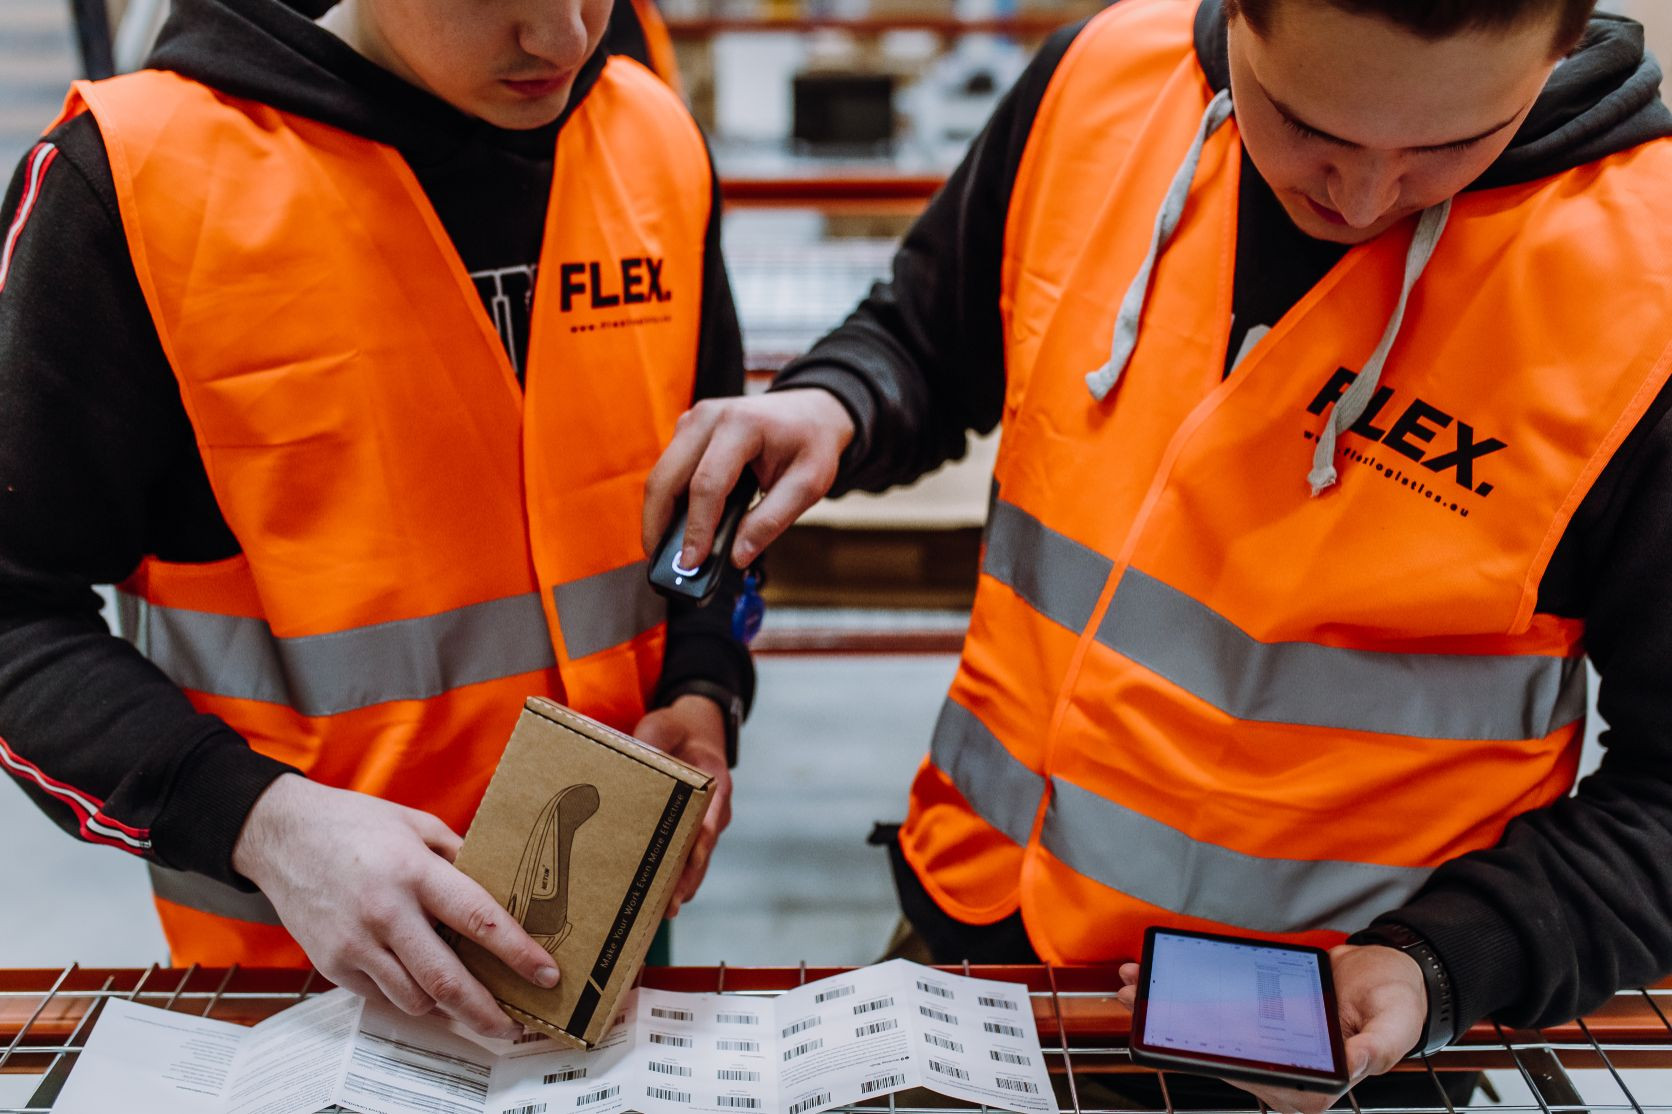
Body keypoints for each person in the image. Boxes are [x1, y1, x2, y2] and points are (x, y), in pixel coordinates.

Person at [644, 0, 1672, 1108]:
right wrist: (837, 401)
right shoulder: (1100, 86)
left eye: (1447, 149)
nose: (1363, 197)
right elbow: (928, 335)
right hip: (979, 948)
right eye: (1305, 129)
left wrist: (1442, 960)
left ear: (1562, 42)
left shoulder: (1642, 286)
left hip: (1311, 1042)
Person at [0, 0, 751, 1040]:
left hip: (606, 927)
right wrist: (268, 826)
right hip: (295, 981)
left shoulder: (650, 137)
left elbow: (702, 508)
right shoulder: (139, 178)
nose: (568, 41)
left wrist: (703, 687)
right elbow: (16, 615)